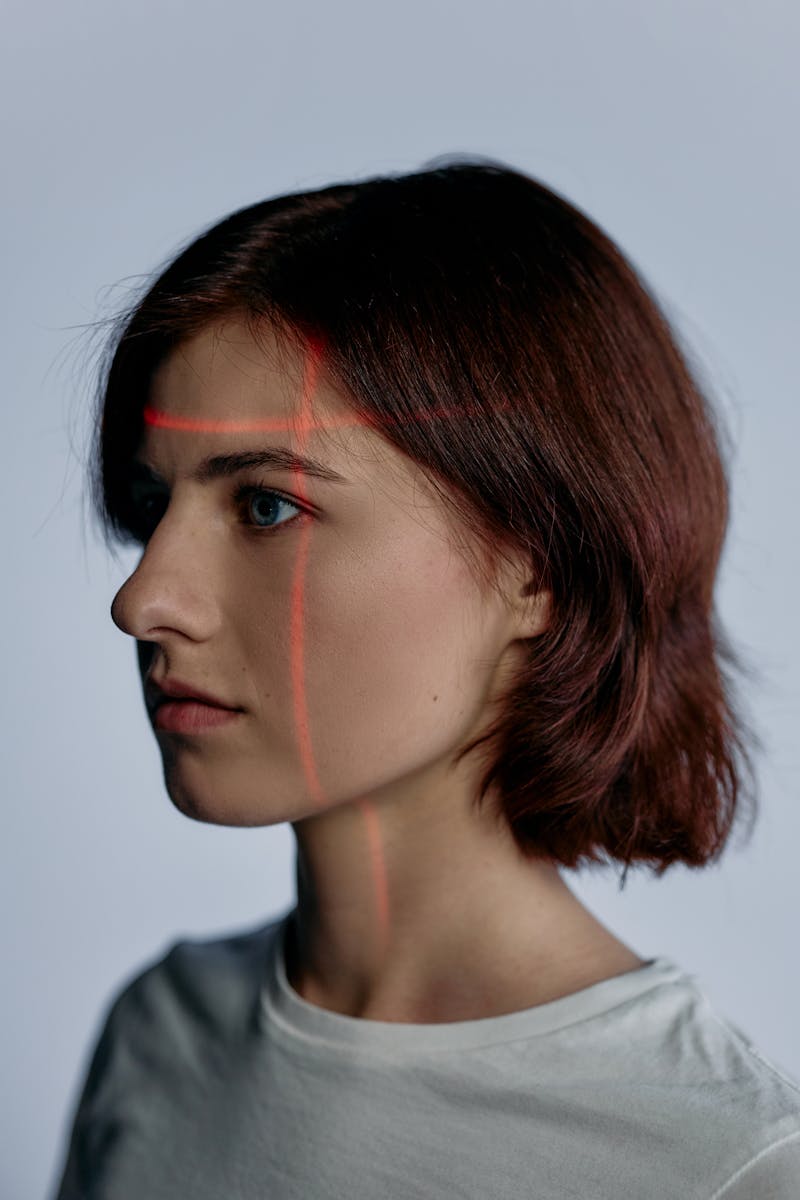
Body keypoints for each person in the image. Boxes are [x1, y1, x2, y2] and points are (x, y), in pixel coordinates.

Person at [52, 157, 800, 1198]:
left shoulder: (714, 1166)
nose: (143, 601)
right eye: (150, 504)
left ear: (536, 565)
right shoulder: (160, 1037)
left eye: (266, 507)